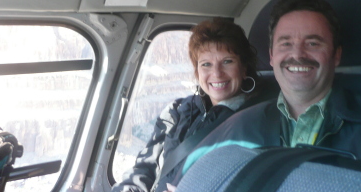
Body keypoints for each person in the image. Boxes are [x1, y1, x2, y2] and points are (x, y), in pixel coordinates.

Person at [174, 0, 361, 183]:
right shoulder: (238, 126)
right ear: (272, 56)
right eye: (286, 44)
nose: (297, 54)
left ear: (336, 55)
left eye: (313, 43)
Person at [111, 18, 264, 192]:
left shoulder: (255, 123)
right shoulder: (177, 111)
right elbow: (144, 170)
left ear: (244, 68)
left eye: (227, 61)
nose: (217, 73)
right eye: (206, 64)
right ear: (197, 72)